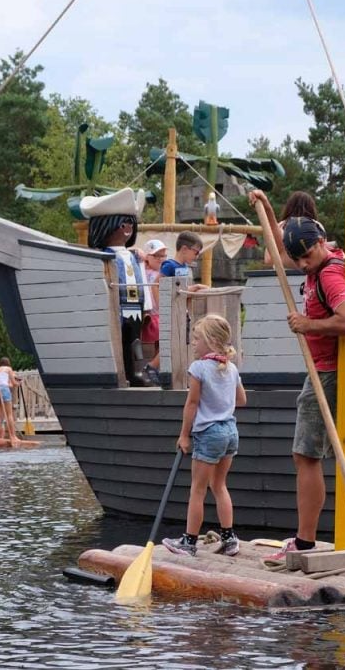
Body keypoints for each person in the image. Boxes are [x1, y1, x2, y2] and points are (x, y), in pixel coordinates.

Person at [263, 215, 345, 560]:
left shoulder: (330, 274)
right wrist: (267, 210)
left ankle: (305, 542)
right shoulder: (327, 258)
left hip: (331, 373)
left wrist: (308, 324)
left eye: (306, 257)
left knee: (306, 455)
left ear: (320, 244)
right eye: (299, 259)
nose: (303, 264)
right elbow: (278, 248)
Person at [162, 314, 247, 557]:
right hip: (230, 432)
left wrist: (184, 435)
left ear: (210, 341)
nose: (194, 343)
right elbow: (241, 400)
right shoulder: (231, 368)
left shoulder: (198, 368)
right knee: (219, 486)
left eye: (197, 338)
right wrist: (222, 401)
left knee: (197, 490)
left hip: (209, 433)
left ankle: (189, 542)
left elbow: (192, 403)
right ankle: (230, 539)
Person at [79, 187, 154, 387]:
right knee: (115, 340)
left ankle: (136, 372)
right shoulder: (104, 257)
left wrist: (146, 304)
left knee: (134, 340)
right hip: (116, 305)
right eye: (123, 223)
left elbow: (142, 281)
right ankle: (117, 372)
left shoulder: (132, 255)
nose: (127, 229)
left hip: (134, 304)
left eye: (130, 223)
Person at [254, 190, 323, 269]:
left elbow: (268, 260)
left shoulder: (279, 226)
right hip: (307, 272)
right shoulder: (317, 226)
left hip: (284, 271)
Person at [140, 239, 168, 384]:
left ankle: (156, 369)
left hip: (160, 314)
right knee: (168, 340)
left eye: (163, 255)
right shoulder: (143, 272)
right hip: (152, 315)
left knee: (163, 344)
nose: (160, 259)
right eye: (156, 256)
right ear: (147, 257)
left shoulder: (164, 273)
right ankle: (152, 367)